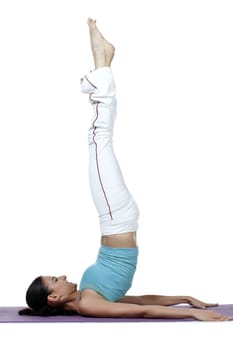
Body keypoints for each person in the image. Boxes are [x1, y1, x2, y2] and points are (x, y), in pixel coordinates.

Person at [19, 18, 231, 321]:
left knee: (100, 141)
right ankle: (99, 73)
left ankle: (102, 62)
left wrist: (184, 298)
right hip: (115, 219)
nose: (62, 275)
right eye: (55, 279)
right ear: (54, 298)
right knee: (97, 140)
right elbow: (141, 310)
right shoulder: (89, 304)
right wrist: (193, 316)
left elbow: (139, 298)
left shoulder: (88, 296)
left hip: (120, 221)